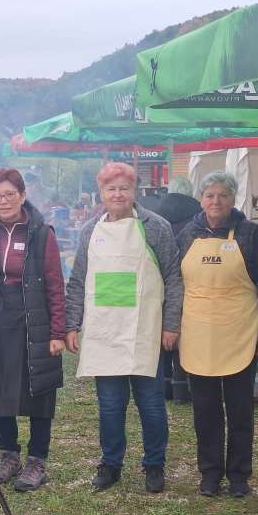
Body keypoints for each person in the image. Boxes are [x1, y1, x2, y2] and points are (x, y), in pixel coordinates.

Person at [65, 162, 182, 494]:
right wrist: (72, 323)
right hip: (105, 332)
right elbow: (78, 281)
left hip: (145, 330)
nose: (118, 194)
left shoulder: (155, 226)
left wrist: (171, 324)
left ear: (135, 191)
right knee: (111, 404)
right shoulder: (91, 230)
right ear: (101, 193)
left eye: (124, 188)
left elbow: (173, 277)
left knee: (151, 402)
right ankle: (111, 463)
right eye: (111, 189)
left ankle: (154, 464)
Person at [177, 170, 258, 498]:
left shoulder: (250, 234)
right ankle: (209, 474)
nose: (215, 201)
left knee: (239, 411)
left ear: (233, 199)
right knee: (204, 411)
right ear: (201, 199)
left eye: (222, 195)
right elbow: (175, 285)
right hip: (197, 334)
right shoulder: (187, 234)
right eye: (209, 195)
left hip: (240, 333)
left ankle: (238, 476)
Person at [0, 168, 66, 492]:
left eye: (10, 194)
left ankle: (37, 460)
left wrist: (56, 331)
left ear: (22, 196)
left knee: (38, 389)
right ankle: (8, 455)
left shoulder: (41, 233)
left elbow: (54, 282)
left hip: (31, 320)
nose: (4, 200)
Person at [155, 180, 202, 404]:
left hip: (160, 280)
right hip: (191, 280)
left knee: (162, 332)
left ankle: (164, 386)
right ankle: (182, 388)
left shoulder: (157, 214)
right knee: (185, 335)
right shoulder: (198, 216)